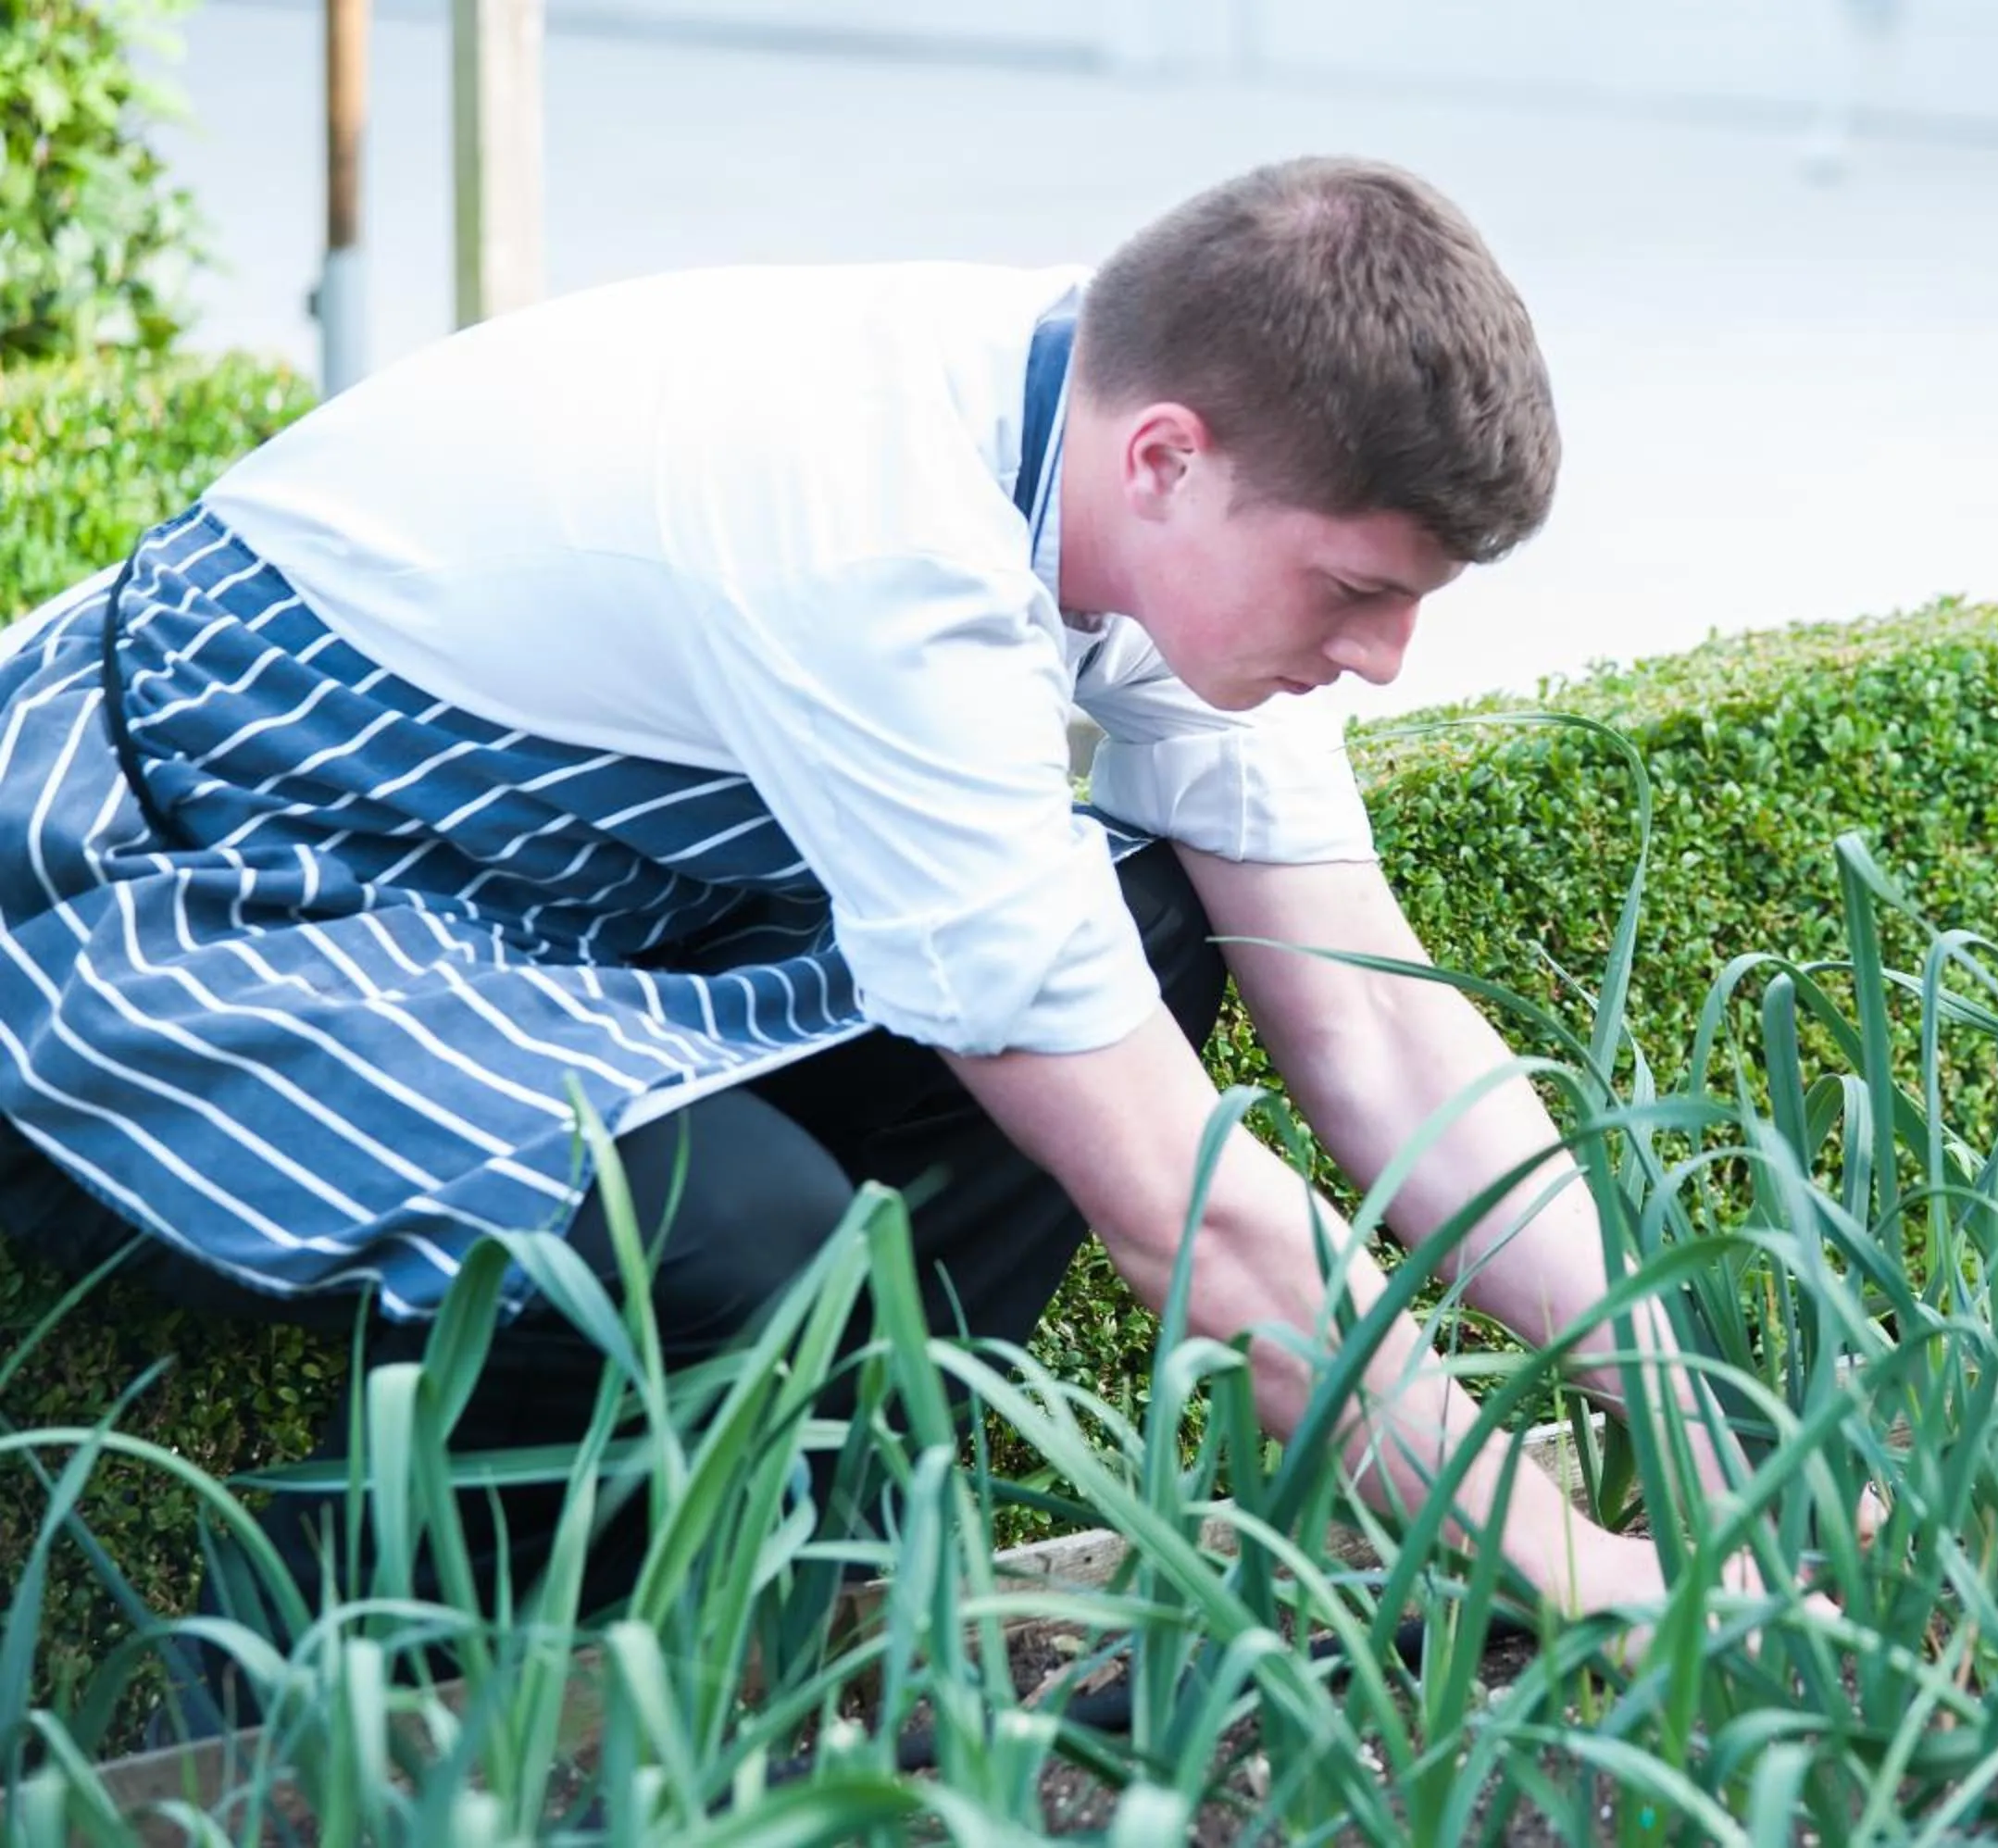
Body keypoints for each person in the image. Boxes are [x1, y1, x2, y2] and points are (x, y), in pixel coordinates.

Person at [0, 156, 1807, 1669]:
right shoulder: (875, 542)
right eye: (1354, 588)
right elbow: (1199, 1224)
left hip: (570, 894)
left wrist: (1704, 1417)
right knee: (729, 1244)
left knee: (1158, 916)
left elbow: (1375, 1018)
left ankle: (824, 1560)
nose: (1386, 659)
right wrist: (1567, 1562)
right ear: (1171, 460)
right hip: (208, 867)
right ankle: (457, 1676)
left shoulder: (1104, 423)